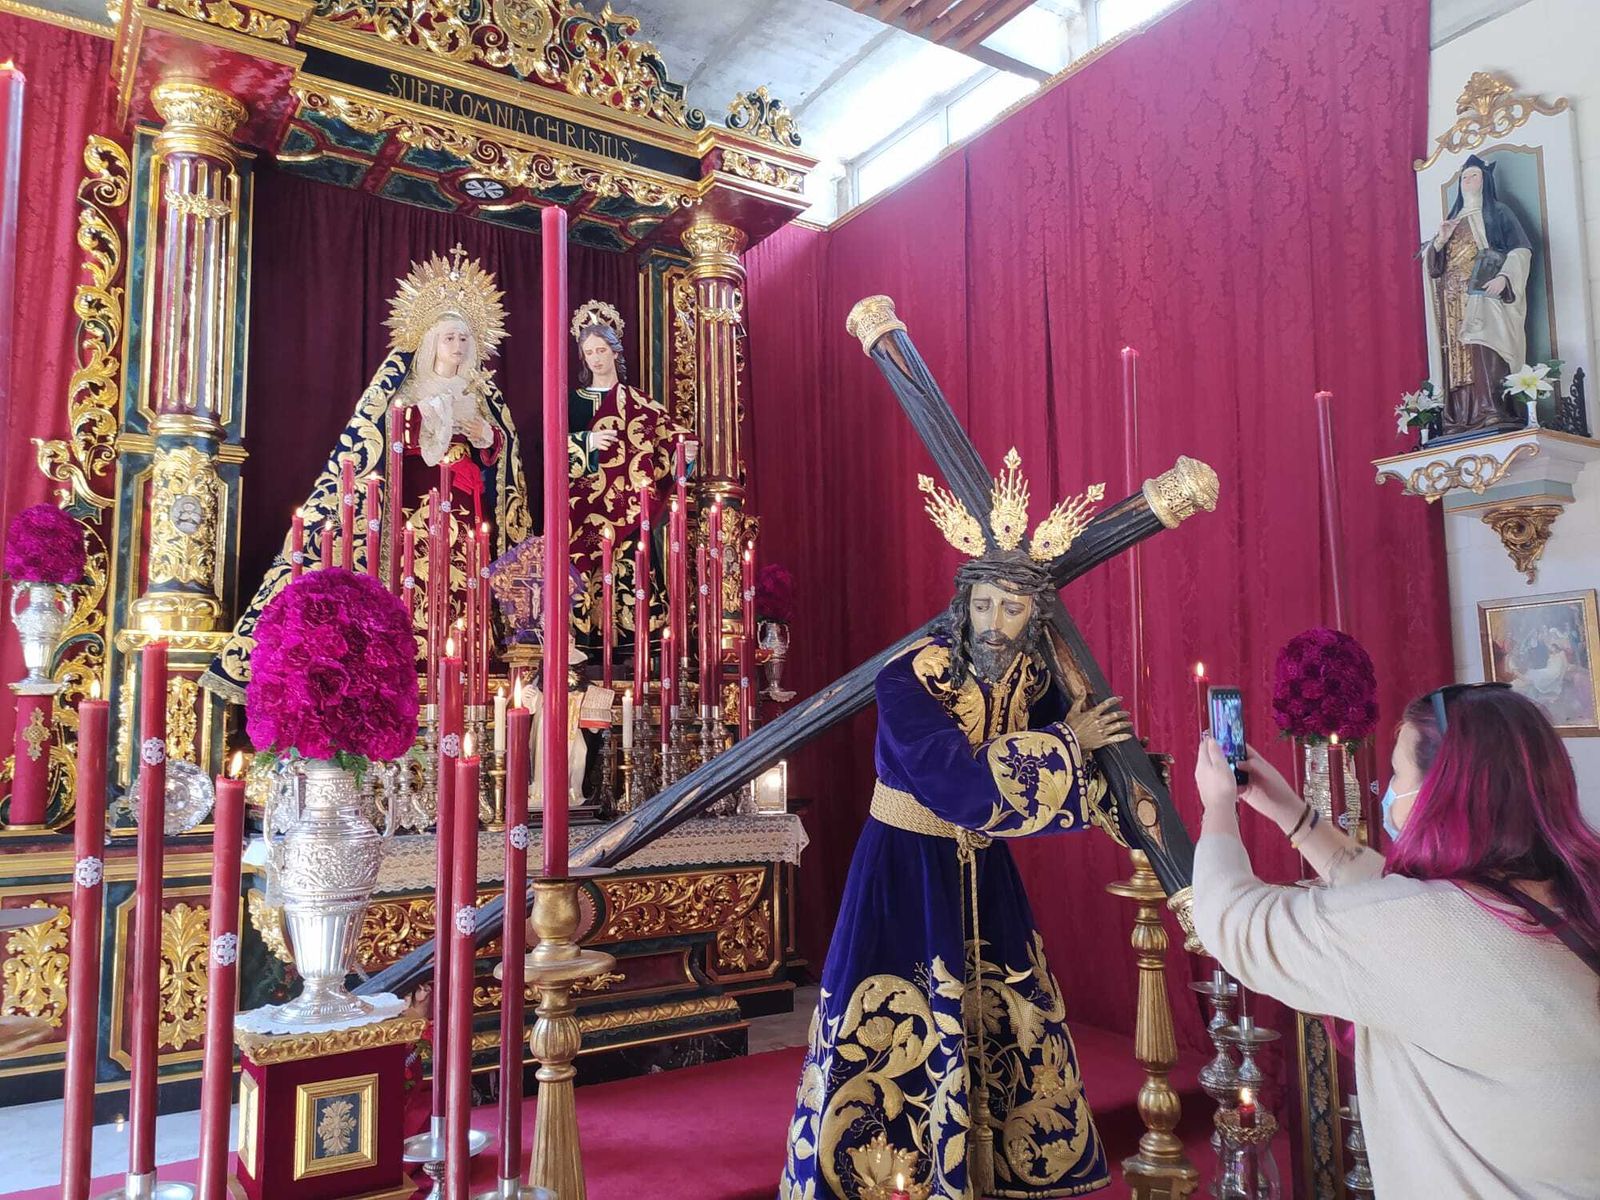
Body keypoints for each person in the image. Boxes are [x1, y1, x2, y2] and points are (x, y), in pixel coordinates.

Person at [781, 451, 1135, 1200]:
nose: (994, 624)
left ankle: (996, 1174)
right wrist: (1071, 744)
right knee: (895, 1040)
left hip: (984, 873)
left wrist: (1130, 785)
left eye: (1013, 608)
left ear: (1036, 616)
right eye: (983, 605)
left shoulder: (1032, 680)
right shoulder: (908, 676)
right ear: (961, 603)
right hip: (904, 871)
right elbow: (958, 783)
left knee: (1003, 1025)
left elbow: (1074, 763)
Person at [1193, 683, 1600, 1198]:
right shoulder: (1566, 895)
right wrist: (1291, 814)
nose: (1384, 792)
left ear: (1441, 790)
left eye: (1398, 774)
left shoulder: (1432, 927)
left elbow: (1236, 923)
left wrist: (1217, 807)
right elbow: (1401, 903)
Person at [205, 245, 531, 700]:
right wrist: (429, 417)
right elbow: (376, 441)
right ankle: (411, 664)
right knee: (415, 581)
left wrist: (484, 436)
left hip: (465, 510)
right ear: (431, 341)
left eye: (463, 338)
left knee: (464, 584)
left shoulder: (482, 391)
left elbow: (504, 459)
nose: (457, 346)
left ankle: (466, 667)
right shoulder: (406, 386)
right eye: (449, 337)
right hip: (414, 507)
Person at [566, 301, 687, 657]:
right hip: (584, 508)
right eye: (589, 352)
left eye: (601, 350)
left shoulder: (641, 403)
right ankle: (581, 644)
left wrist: (686, 453)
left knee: (630, 565)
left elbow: (670, 439)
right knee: (582, 567)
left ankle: (630, 646)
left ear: (614, 351)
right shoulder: (573, 402)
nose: (596, 358)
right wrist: (586, 440)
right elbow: (549, 447)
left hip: (630, 506)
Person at [1425, 155, 1535, 434]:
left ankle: (1492, 409)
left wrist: (1504, 277)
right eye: (1464, 177)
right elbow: (1434, 269)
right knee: (1457, 355)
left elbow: (1520, 250)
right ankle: (1461, 416)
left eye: (1474, 176)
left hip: (1483, 296)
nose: (1467, 181)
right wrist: (1439, 241)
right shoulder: (1451, 222)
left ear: (1485, 182)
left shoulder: (1498, 212)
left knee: (1484, 347)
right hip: (1452, 300)